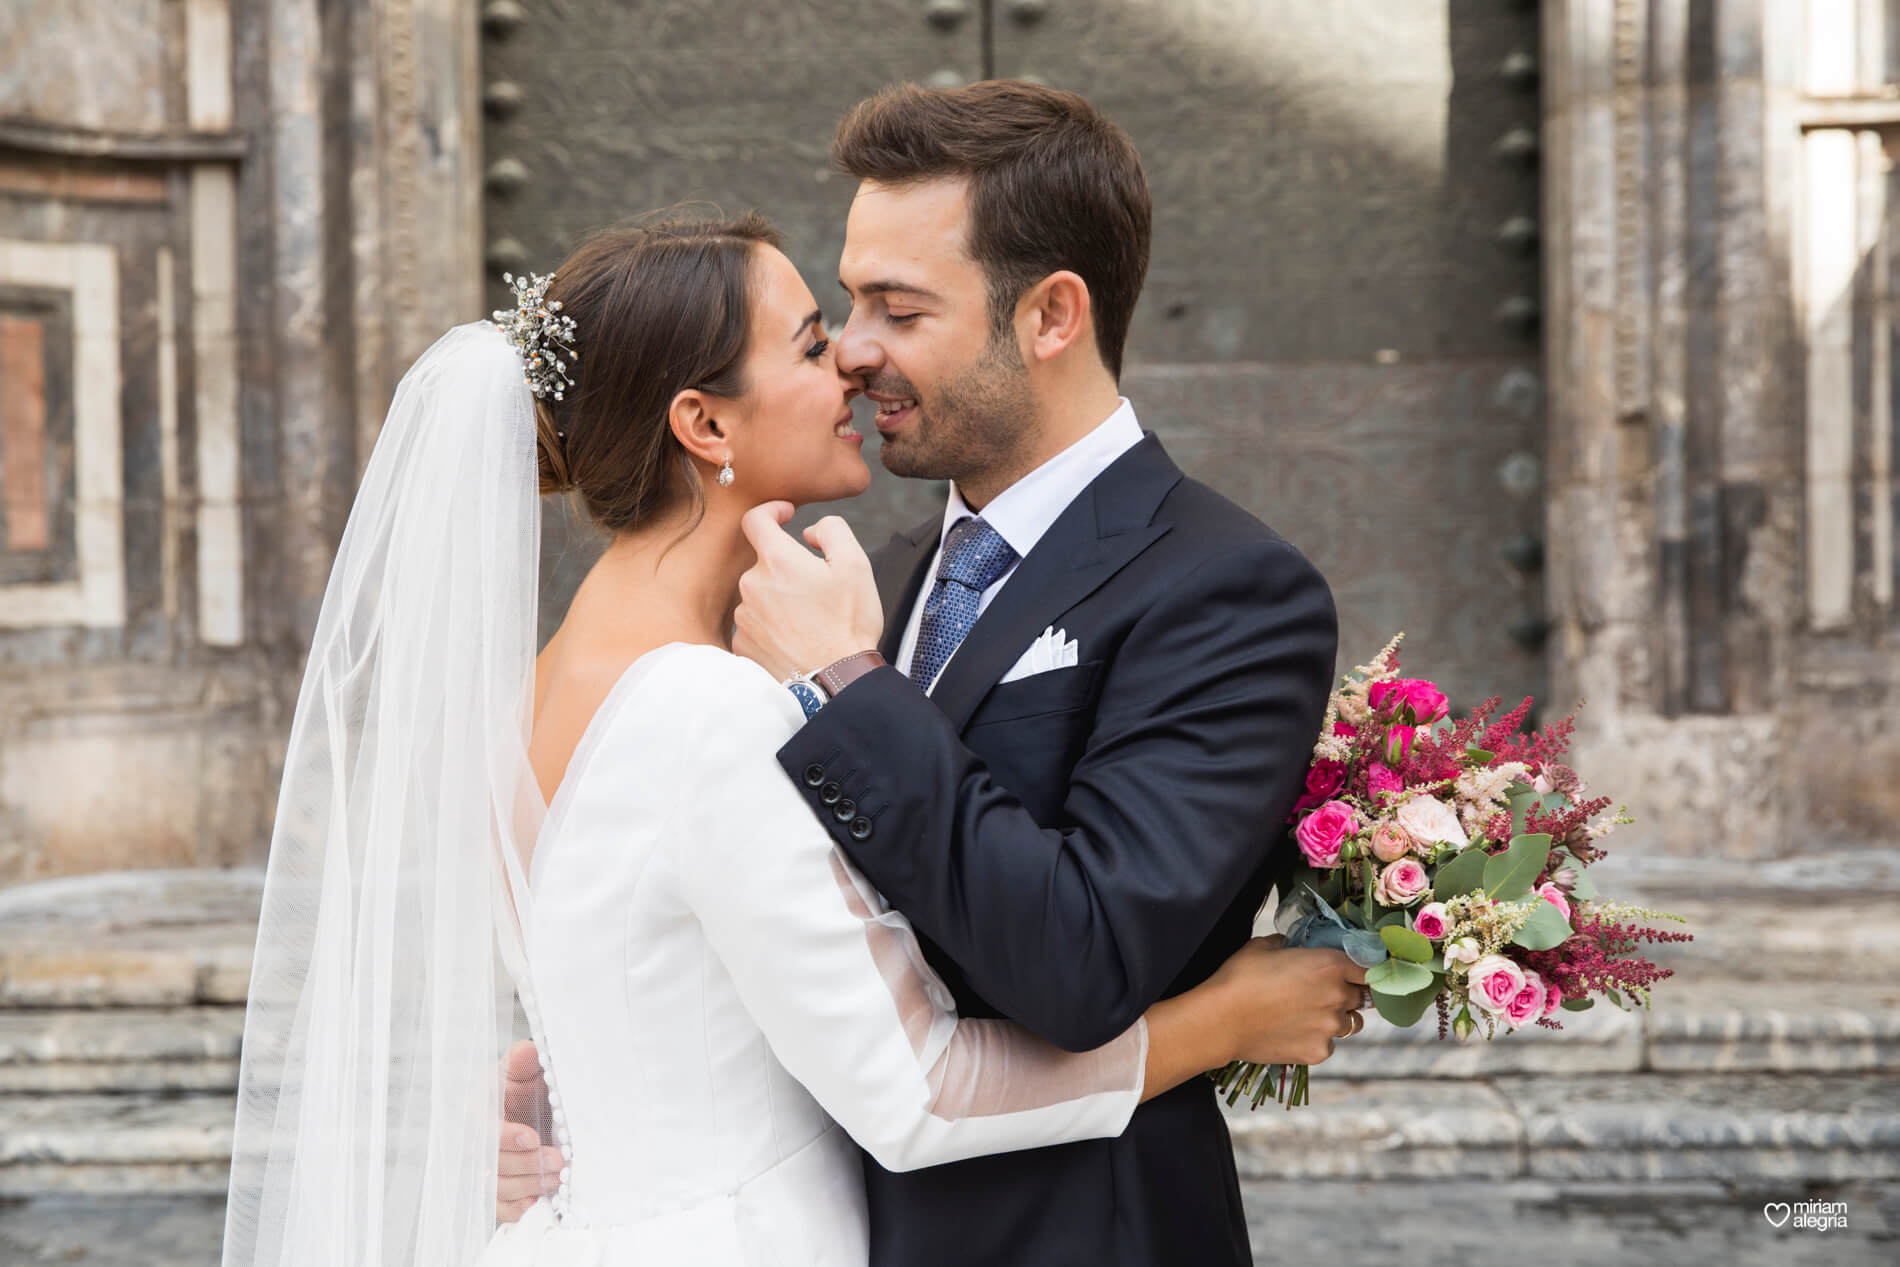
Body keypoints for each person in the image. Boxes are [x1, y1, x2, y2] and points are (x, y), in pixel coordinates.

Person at [223, 209, 1367, 1267]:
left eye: (880, 318)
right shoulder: (706, 708)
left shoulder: (541, 692)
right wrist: (1218, 1022)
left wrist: (549, 1107)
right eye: (816, 341)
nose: (854, 367)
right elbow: (916, 1091)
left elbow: (652, 1000)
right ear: (704, 422)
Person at [504, 80, 1354, 1267]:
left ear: (1052, 315)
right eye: (839, 311)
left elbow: (1083, 960)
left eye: (894, 309)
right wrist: (564, 1103)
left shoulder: (1226, 588)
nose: (853, 354)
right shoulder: (861, 587)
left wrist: (851, 681)